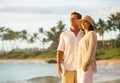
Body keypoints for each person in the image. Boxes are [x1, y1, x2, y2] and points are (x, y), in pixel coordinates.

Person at [56, 12, 84, 83]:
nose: (71, 20)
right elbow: (60, 51)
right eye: (70, 19)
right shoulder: (64, 34)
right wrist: (58, 65)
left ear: (79, 20)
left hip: (81, 68)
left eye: (73, 19)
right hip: (67, 68)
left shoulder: (84, 34)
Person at [76, 15, 97, 83]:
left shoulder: (92, 33)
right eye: (82, 22)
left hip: (87, 64)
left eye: (85, 22)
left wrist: (86, 62)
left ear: (89, 23)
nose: (83, 24)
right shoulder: (83, 36)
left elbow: (91, 49)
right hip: (80, 64)